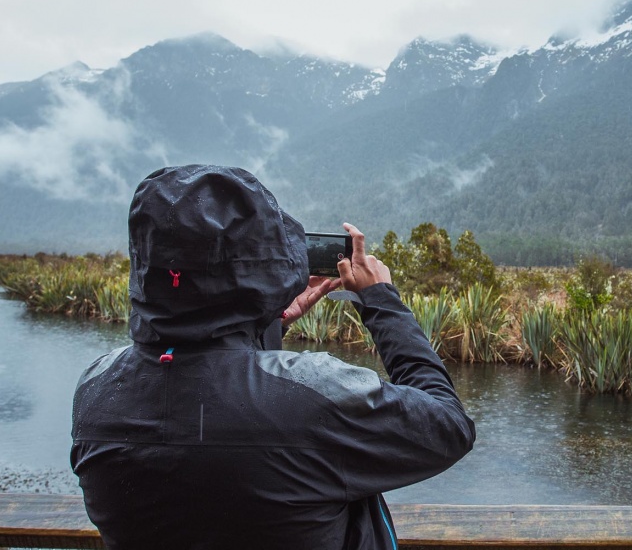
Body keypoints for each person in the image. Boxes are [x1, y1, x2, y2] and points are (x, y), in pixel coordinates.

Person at [71, 165, 475, 549]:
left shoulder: (95, 393)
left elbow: (208, 401)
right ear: (265, 266)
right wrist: (380, 301)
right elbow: (448, 426)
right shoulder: (316, 397)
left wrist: (263, 325)